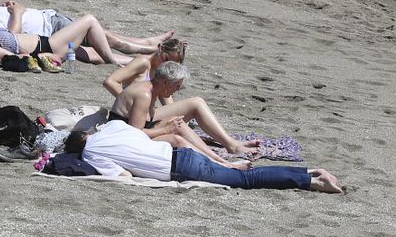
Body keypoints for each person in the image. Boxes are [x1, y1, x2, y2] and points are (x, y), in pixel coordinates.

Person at [57, 120, 343, 193]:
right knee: (242, 175)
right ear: (86, 133)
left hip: (178, 169)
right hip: (179, 152)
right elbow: (141, 136)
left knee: (248, 180)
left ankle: (312, 181)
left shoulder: (93, 153)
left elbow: (123, 175)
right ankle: (309, 173)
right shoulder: (112, 127)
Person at [104, 50, 258, 156]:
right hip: (129, 129)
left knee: (195, 103)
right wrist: (165, 128)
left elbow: (168, 104)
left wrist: (171, 122)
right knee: (177, 134)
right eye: (176, 86)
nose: (177, 90)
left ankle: (229, 147)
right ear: (165, 82)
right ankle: (220, 161)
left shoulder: (156, 85)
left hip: (145, 117)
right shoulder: (144, 82)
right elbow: (135, 132)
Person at [0, 1, 124, 68]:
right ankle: (112, 62)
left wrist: (14, 12)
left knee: (93, 55)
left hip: (48, 42)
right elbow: (12, 58)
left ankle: (138, 61)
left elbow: (12, 36)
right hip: (50, 46)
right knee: (89, 20)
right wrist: (44, 58)